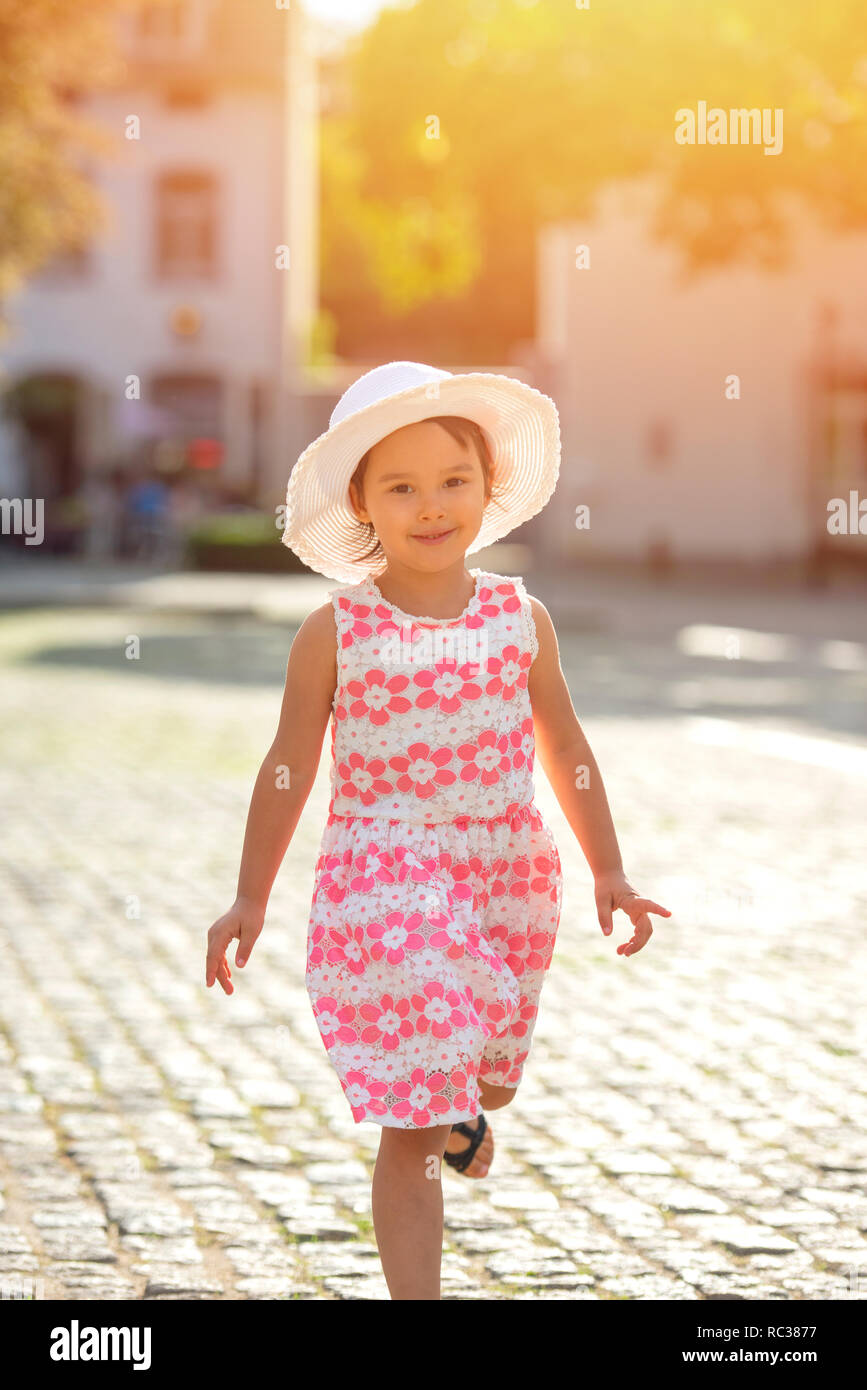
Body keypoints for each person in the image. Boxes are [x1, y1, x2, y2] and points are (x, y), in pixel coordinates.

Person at [204, 360, 671, 1300]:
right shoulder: (334, 632)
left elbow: (565, 746)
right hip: (384, 875)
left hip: (505, 877)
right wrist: (250, 893)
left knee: (483, 1084)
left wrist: (608, 871)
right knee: (411, 1115)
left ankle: (466, 1110)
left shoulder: (518, 619)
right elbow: (288, 763)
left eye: (452, 481)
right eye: (401, 487)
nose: (429, 506)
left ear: (487, 490)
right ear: (363, 506)